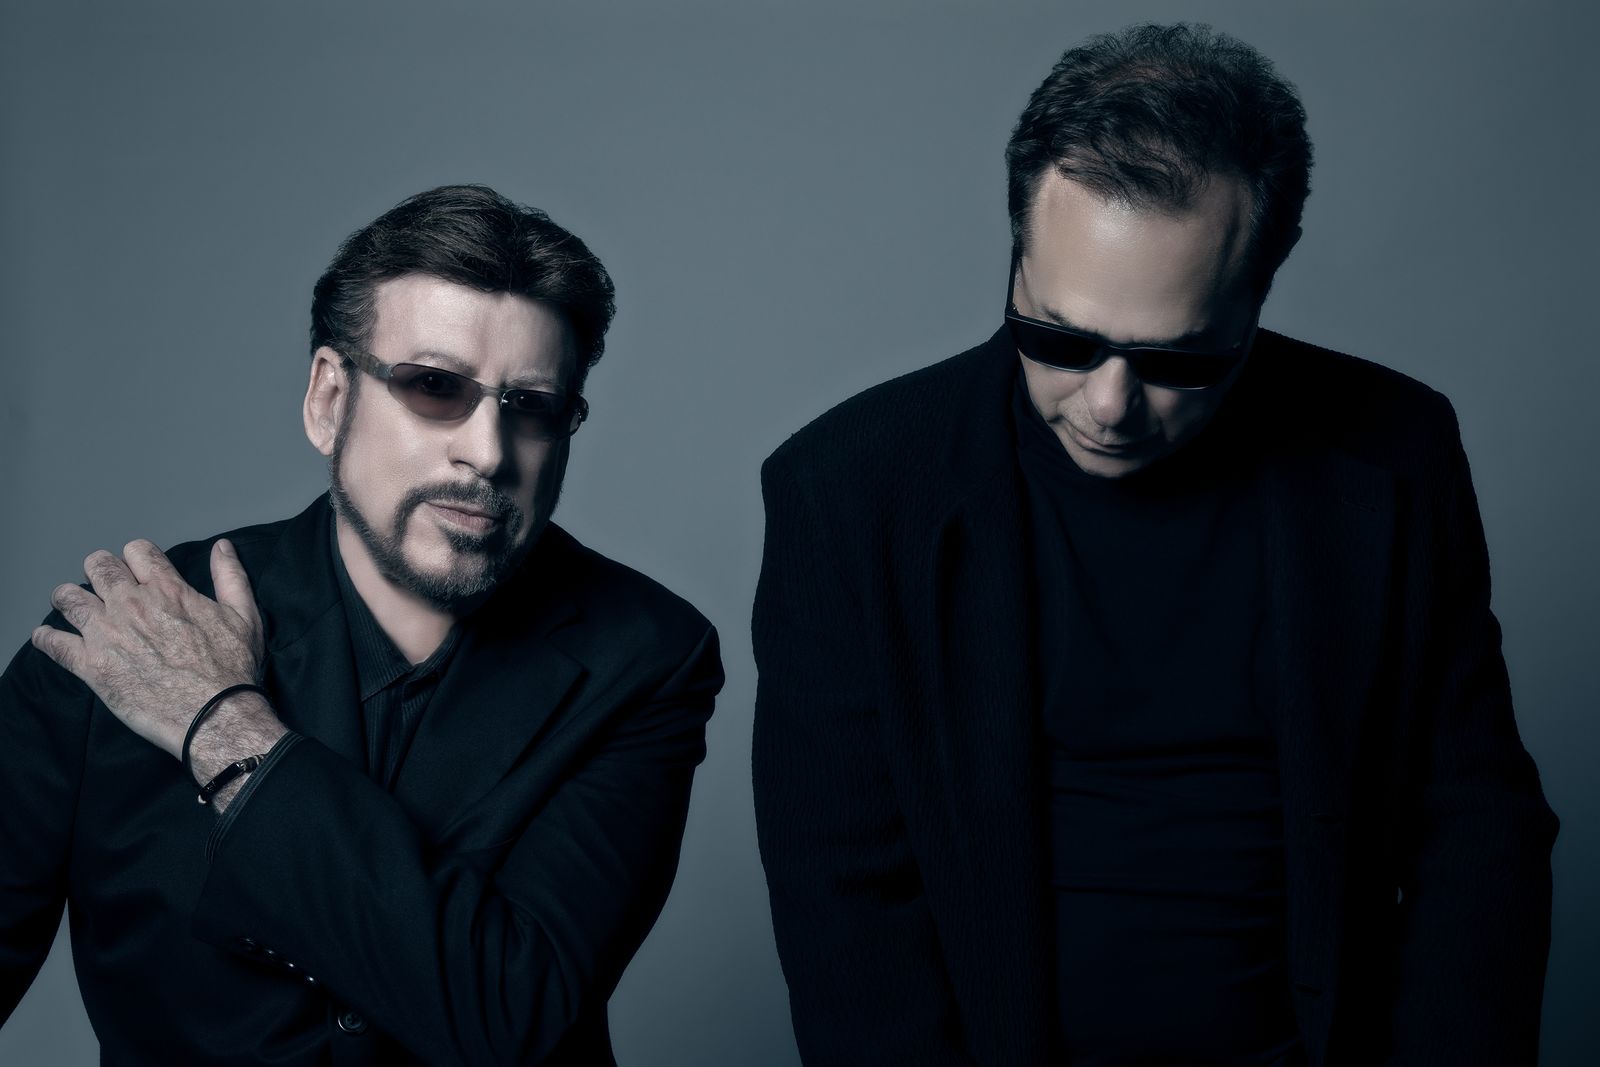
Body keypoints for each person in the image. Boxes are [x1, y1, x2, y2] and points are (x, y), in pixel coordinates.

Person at [752, 23, 1556, 1067]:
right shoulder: (849, 492)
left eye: (1176, 361)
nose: (1108, 403)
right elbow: (843, 899)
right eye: (1057, 338)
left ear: (1258, 293)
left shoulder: (1394, 452)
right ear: (1016, 254)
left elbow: (1476, 830)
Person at [0, 184, 723, 1066]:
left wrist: (224, 725)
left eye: (531, 405)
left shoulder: (646, 653)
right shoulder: (126, 634)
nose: (488, 452)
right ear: (328, 399)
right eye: (434, 387)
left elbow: (512, 1016)